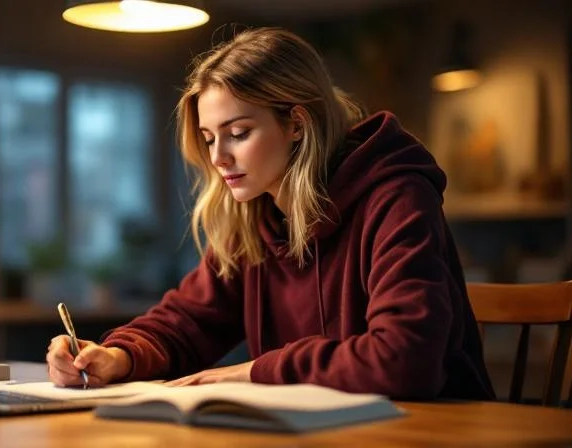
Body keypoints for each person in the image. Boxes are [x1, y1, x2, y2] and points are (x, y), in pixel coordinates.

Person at [46, 26, 495, 400]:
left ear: (297, 124)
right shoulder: (255, 217)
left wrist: (252, 370)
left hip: (430, 431)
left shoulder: (396, 197)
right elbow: (188, 321)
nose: (217, 157)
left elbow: (405, 359)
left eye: (238, 133)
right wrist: (118, 356)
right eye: (209, 138)